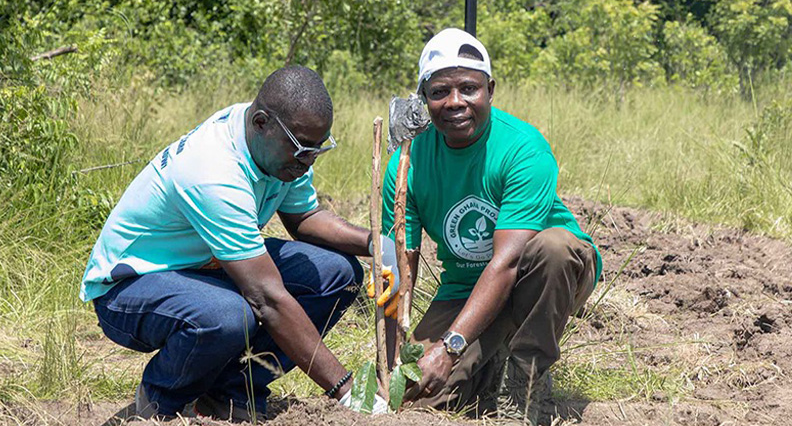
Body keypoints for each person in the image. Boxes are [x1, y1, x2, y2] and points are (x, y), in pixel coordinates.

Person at [80, 66, 395, 421]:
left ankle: (231, 391)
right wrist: (347, 390)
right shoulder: (214, 171)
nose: (307, 163)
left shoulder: (278, 145)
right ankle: (161, 401)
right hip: (132, 286)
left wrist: (376, 244)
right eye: (302, 150)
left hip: (204, 265)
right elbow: (267, 298)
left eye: (316, 150)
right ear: (261, 123)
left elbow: (304, 220)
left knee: (336, 273)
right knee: (231, 316)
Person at [377, 28, 602, 425]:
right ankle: (490, 360)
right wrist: (392, 359)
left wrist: (450, 349)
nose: (455, 102)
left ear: (490, 90)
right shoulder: (405, 166)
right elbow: (397, 266)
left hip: (542, 274)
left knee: (553, 248)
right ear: (424, 97)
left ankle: (525, 383)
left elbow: (509, 263)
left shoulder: (522, 148)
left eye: (469, 88)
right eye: (439, 92)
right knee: (415, 398)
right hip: (466, 288)